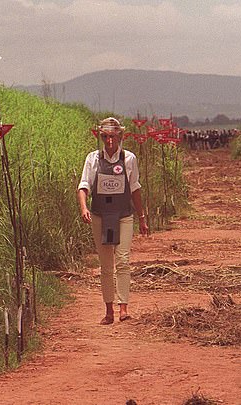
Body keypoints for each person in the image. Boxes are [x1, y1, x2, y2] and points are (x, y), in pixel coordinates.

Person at [77, 117, 150, 325]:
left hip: (123, 216)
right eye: (105, 137)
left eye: (113, 136)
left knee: (123, 260)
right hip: (101, 216)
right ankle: (108, 309)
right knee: (106, 264)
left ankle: (123, 307)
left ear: (120, 136)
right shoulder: (93, 159)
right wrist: (84, 207)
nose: (109, 141)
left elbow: (135, 188)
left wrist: (142, 217)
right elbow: (83, 186)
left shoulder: (129, 159)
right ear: (101, 137)